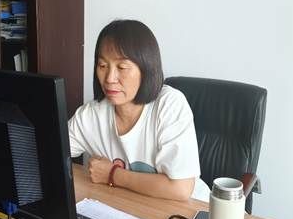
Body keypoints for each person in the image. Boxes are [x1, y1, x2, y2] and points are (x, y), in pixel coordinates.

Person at [68, 19, 210, 202]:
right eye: (102, 66)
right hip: (136, 207)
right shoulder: (91, 115)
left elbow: (180, 189)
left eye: (122, 67)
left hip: (193, 209)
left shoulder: (169, 104)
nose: (109, 78)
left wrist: (112, 174)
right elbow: (51, 151)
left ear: (146, 69)